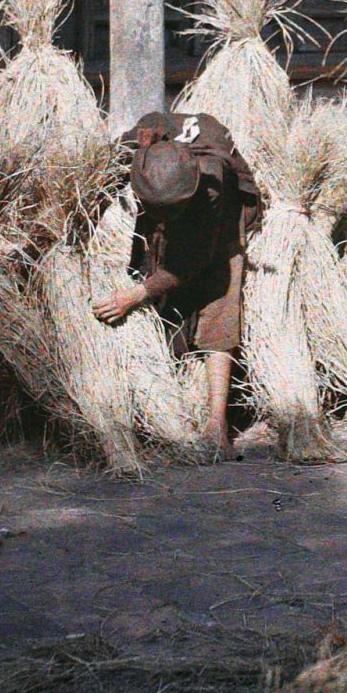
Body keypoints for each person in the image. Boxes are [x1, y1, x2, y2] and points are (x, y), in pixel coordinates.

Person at [91, 109, 259, 457]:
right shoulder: (135, 146)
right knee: (154, 272)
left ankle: (217, 424)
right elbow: (97, 186)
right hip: (170, 187)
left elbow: (194, 261)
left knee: (217, 296)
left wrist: (135, 296)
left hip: (225, 219)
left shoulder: (212, 185)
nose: (164, 221)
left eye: (172, 213)